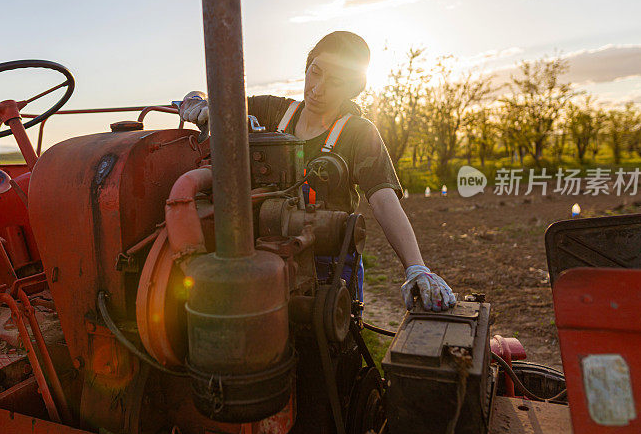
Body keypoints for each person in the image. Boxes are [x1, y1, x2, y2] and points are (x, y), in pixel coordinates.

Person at [180, 31, 456, 312]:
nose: (317, 88)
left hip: (330, 269)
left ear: (351, 88)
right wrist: (198, 100)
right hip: (266, 259)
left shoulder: (358, 133)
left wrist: (416, 267)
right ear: (307, 66)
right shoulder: (271, 111)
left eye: (334, 81)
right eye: (316, 72)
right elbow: (219, 98)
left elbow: (384, 201)